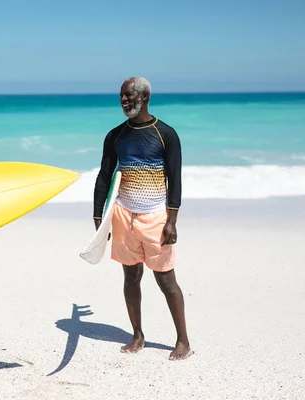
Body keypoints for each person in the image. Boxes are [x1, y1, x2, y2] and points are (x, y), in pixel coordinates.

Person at [93, 77, 193, 361]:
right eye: (121, 96)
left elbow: (175, 179)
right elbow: (104, 177)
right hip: (124, 215)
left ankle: (183, 340)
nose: (124, 101)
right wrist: (99, 215)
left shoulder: (166, 134)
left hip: (155, 216)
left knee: (166, 280)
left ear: (145, 97)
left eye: (129, 96)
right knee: (131, 275)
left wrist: (172, 220)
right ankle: (137, 335)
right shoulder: (115, 136)